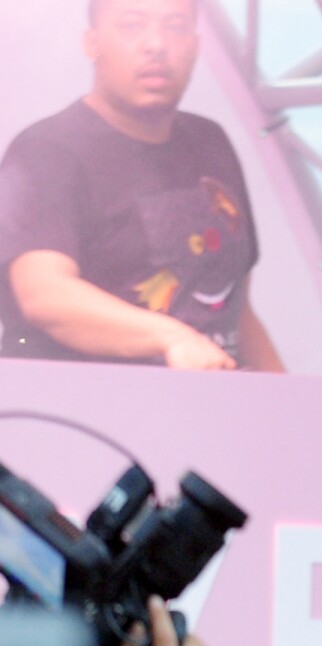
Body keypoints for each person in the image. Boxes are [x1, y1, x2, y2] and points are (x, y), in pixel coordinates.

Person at [0, 0, 283, 371]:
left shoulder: (210, 141)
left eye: (176, 26)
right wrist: (173, 337)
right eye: (133, 26)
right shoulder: (46, 151)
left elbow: (238, 309)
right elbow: (44, 294)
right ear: (92, 43)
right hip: (86, 415)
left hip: (213, 409)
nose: (156, 44)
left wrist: (291, 405)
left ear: (195, 46)